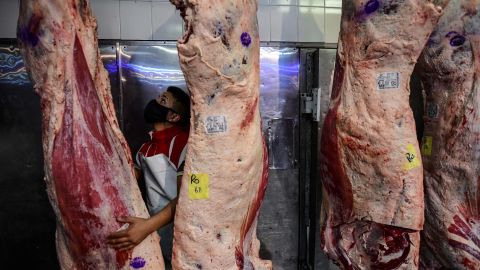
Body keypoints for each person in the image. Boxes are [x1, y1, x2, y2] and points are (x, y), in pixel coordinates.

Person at [107, 86, 190, 262]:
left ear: (174, 116)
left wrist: (146, 227)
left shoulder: (187, 145)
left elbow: (192, 197)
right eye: (159, 96)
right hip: (154, 231)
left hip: (184, 232)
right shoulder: (145, 148)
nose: (156, 100)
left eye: (163, 100)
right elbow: (128, 185)